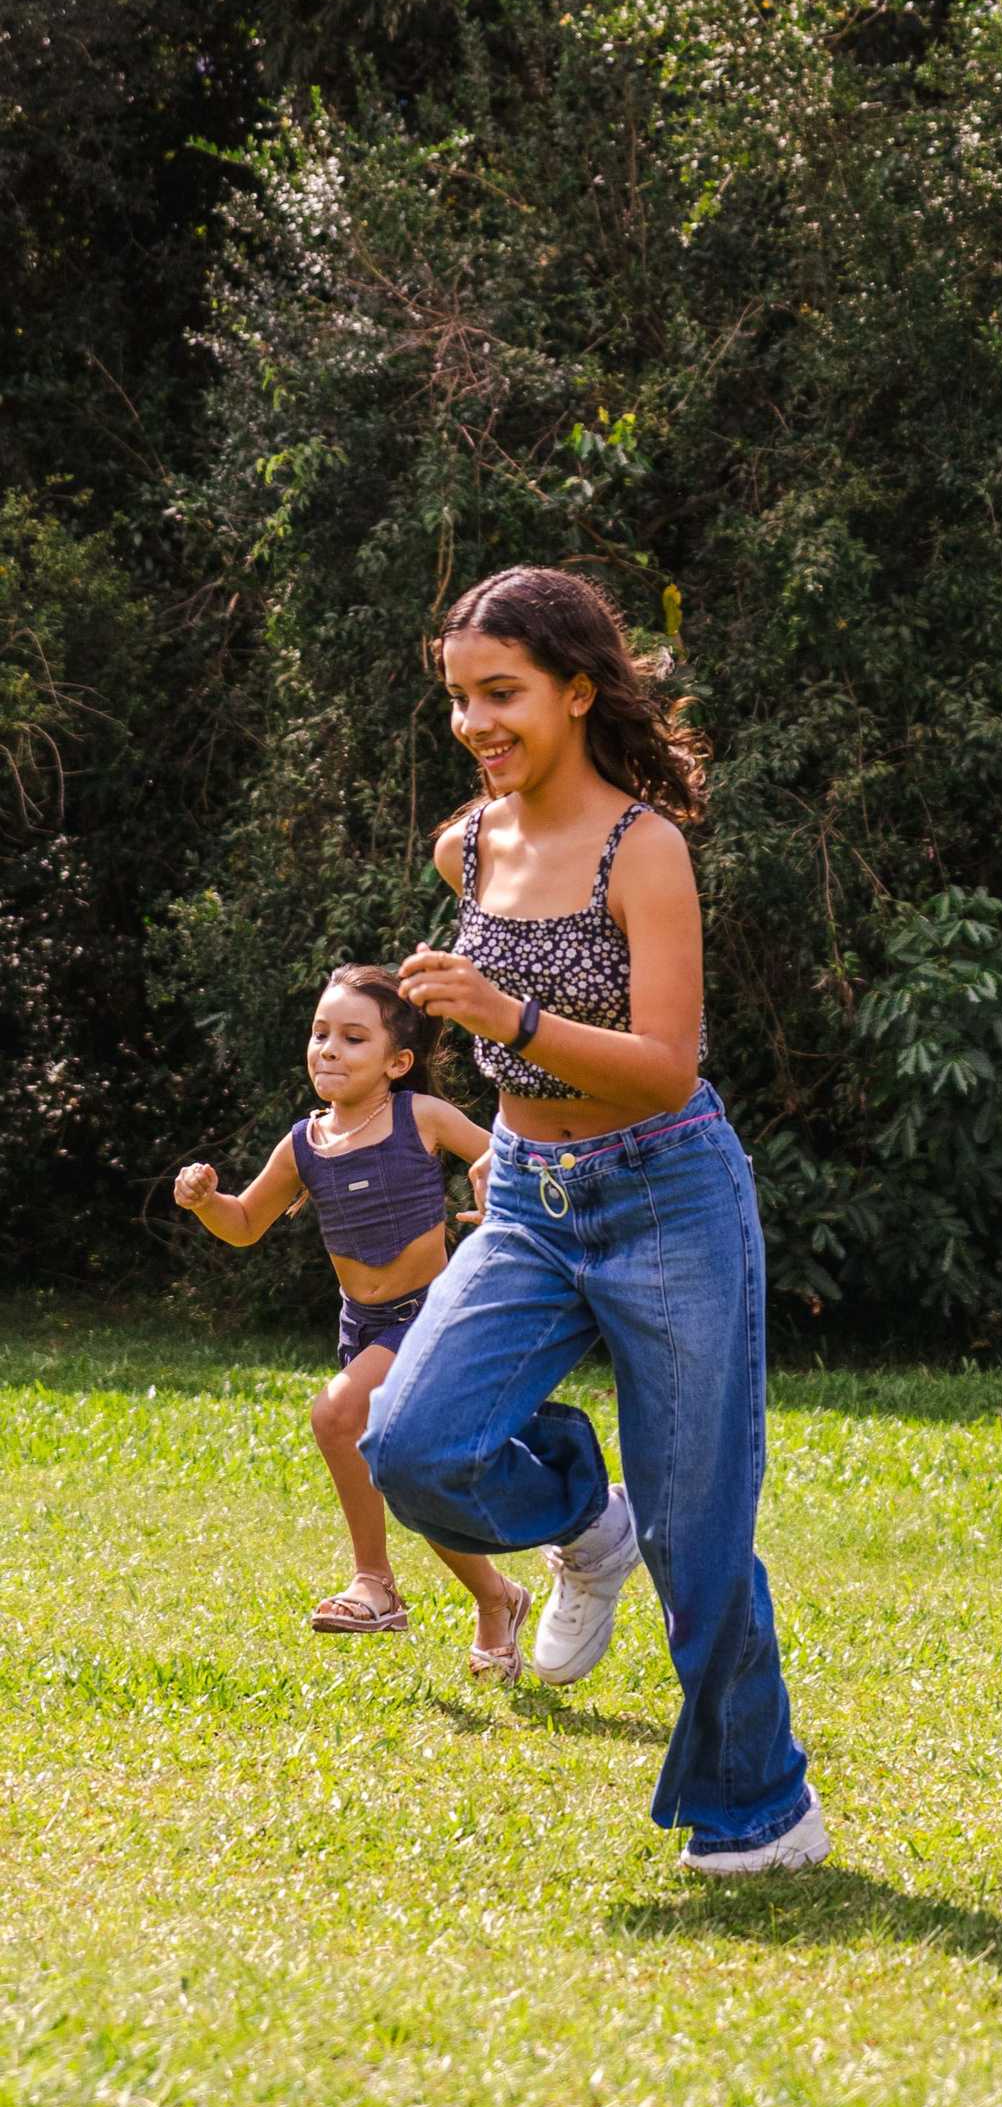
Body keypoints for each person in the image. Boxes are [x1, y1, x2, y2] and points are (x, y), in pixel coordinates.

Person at [357, 563, 826, 1878]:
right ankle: (584, 1516)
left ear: (575, 691)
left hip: (667, 1193)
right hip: (529, 1198)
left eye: (501, 694)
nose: (475, 723)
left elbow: (667, 1066)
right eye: (459, 699)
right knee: (413, 1445)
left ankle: (759, 1811)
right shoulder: (467, 846)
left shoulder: (643, 848)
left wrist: (504, 1015)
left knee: (701, 1531)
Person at [173, 968, 531, 1676]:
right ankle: (498, 1599)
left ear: (398, 1062)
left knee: (335, 1416)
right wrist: (207, 1202)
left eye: (352, 1037)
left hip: (428, 1317)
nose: (329, 1048)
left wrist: (495, 1186)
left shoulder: (420, 1116)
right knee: (407, 1480)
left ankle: (375, 1586)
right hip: (361, 1329)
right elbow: (245, 1224)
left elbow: (509, 1152)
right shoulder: (303, 1144)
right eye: (320, 1033)